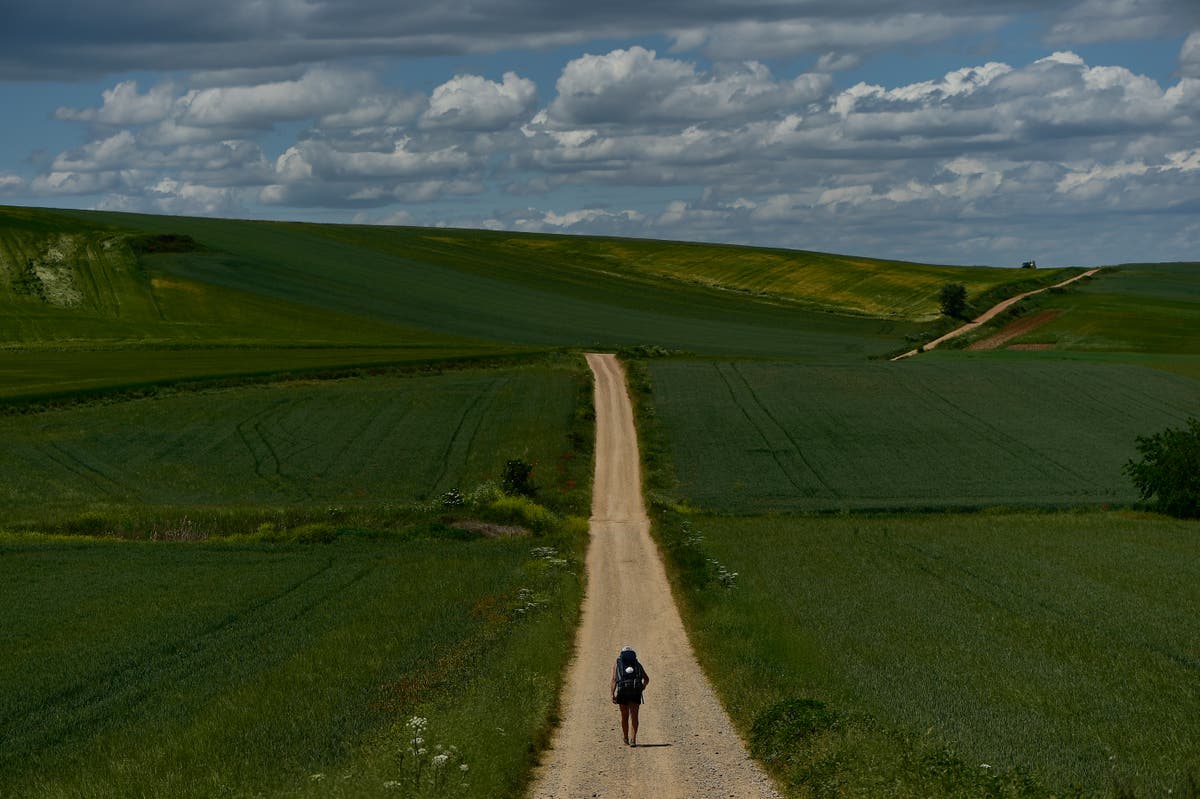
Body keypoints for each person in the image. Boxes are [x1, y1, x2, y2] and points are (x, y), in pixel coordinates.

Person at [610, 646, 650, 746]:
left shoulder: (618, 663)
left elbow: (614, 679)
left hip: (622, 691)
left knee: (624, 716)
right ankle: (633, 739)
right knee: (634, 716)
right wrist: (642, 687)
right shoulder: (637, 664)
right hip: (635, 691)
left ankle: (625, 738)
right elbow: (646, 679)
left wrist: (612, 693)